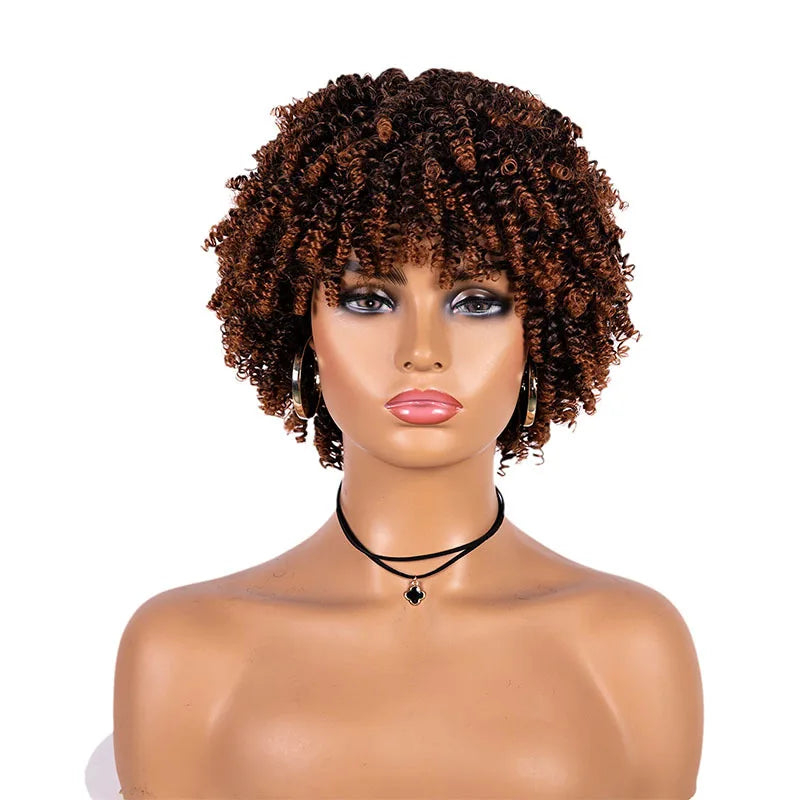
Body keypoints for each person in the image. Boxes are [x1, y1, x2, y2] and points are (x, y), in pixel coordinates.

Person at [113, 67, 703, 799]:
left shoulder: (631, 650)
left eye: (476, 302)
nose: (422, 351)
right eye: (368, 300)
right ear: (301, 330)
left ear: (541, 335)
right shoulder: (183, 654)